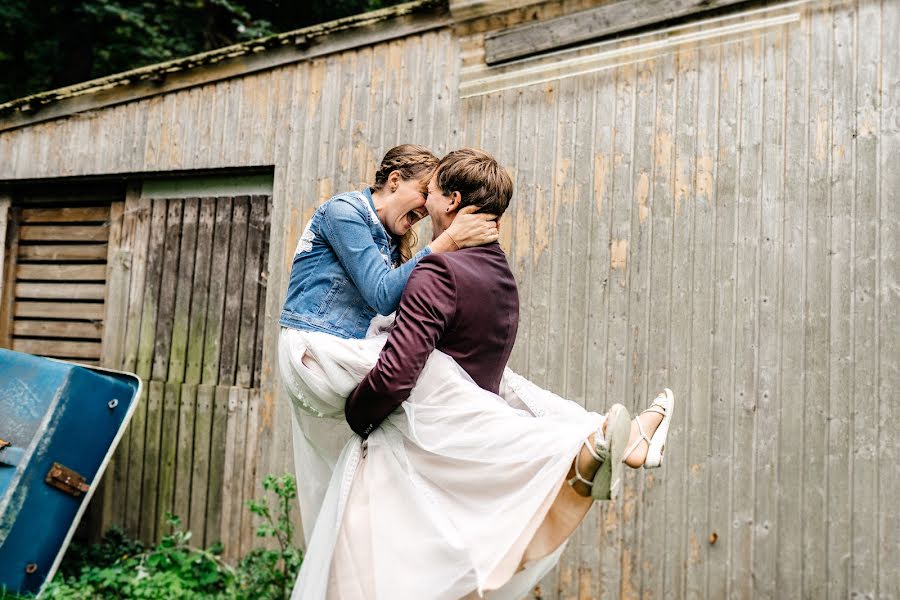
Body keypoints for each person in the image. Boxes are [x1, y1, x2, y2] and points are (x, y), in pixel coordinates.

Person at [289, 149, 675, 599]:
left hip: (405, 463)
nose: (423, 207)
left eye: (430, 194)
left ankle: (595, 439)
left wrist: (356, 415)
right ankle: (603, 438)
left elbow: (396, 376)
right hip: (456, 463)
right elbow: (492, 382)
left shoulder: (437, 270)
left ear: (451, 202)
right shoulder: (503, 279)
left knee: (367, 584)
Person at [278, 144, 501, 540]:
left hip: (344, 352)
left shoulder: (388, 237)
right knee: (437, 372)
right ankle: (528, 449)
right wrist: (448, 241)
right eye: (423, 194)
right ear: (394, 181)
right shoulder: (344, 212)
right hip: (314, 351)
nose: (424, 210)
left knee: (438, 381)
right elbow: (382, 294)